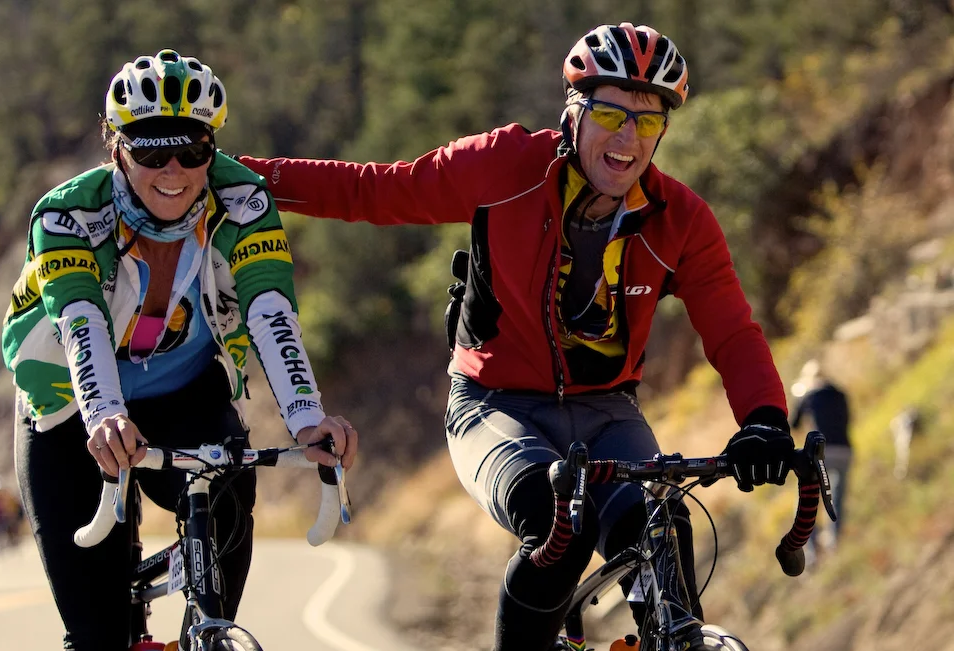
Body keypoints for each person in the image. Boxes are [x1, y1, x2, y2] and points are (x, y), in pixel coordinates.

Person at [238, 23, 793, 651]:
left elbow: (732, 332)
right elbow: (374, 189)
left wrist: (765, 420)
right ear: (573, 112)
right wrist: (235, 177)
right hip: (493, 403)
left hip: (608, 410)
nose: (627, 138)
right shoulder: (505, 167)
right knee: (560, 527)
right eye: (610, 115)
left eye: (647, 122)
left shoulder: (682, 221)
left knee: (663, 532)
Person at [1, 49, 357, 651]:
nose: (174, 170)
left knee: (228, 496)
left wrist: (306, 418)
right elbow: (81, 321)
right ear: (117, 148)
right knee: (95, 634)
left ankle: (210, 631)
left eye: (193, 151)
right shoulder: (67, 214)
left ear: (211, 150)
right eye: (150, 152)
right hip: (70, 405)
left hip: (182, 393)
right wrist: (104, 414)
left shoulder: (243, 201)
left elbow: (271, 311)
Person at [790, 359, 851, 558]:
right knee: (837, 498)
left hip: (820, 453)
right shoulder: (840, 394)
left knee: (808, 500)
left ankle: (812, 552)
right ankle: (834, 543)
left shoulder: (809, 395)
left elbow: (794, 424)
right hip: (844, 450)